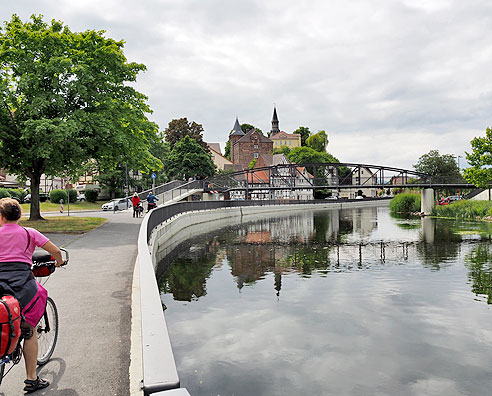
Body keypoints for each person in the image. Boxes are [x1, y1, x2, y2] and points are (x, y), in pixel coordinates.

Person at [0, 198, 64, 393]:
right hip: (22, 284)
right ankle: (31, 379)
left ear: (1, 217)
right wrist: (59, 262)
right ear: (20, 215)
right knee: (29, 328)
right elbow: (54, 251)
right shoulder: (30, 233)